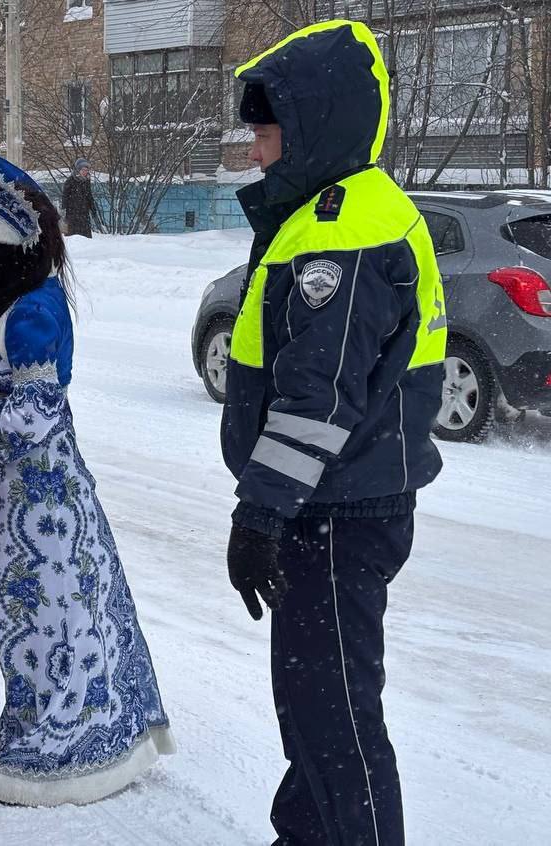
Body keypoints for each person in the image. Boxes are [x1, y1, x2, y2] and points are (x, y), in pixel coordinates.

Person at [221, 20, 447, 845]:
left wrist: (261, 513)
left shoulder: (342, 229)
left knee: (336, 714)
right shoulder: (334, 213)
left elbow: (317, 399)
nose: (256, 153)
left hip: (337, 513)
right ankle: (307, 834)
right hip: (340, 504)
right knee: (315, 703)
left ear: (313, 124)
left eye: (266, 133)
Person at [0, 136, 174, 806]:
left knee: (52, 623)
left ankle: (67, 750)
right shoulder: (21, 306)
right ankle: (52, 731)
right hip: (23, 503)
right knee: (39, 620)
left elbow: (34, 420)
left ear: (10, 250)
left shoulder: (35, 313)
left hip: (45, 509)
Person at [60, 158, 94, 238]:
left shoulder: (86, 181)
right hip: (73, 215)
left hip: (84, 215)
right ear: (78, 170)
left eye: (86, 170)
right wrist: (64, 210)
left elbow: (89, 196)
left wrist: (93, 209)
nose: (85, 172)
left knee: (86, 239)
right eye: (83, 170)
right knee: (74, 238)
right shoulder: (70, 181)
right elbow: (65, 196)